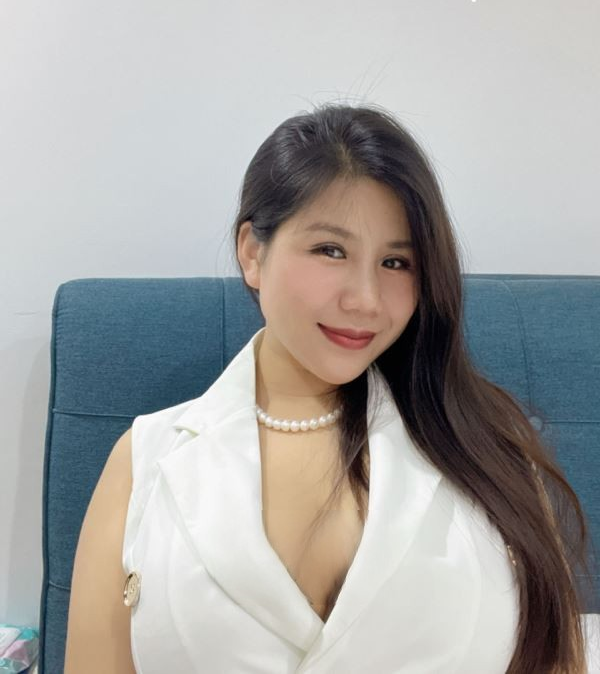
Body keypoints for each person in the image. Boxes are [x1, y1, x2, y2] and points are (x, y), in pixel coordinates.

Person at [64, 102, 596, 673]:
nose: (365, 299)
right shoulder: (146, 461)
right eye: (330, 250)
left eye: (396, 263)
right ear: (253, 252)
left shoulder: (488, 445)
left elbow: (555, 655)